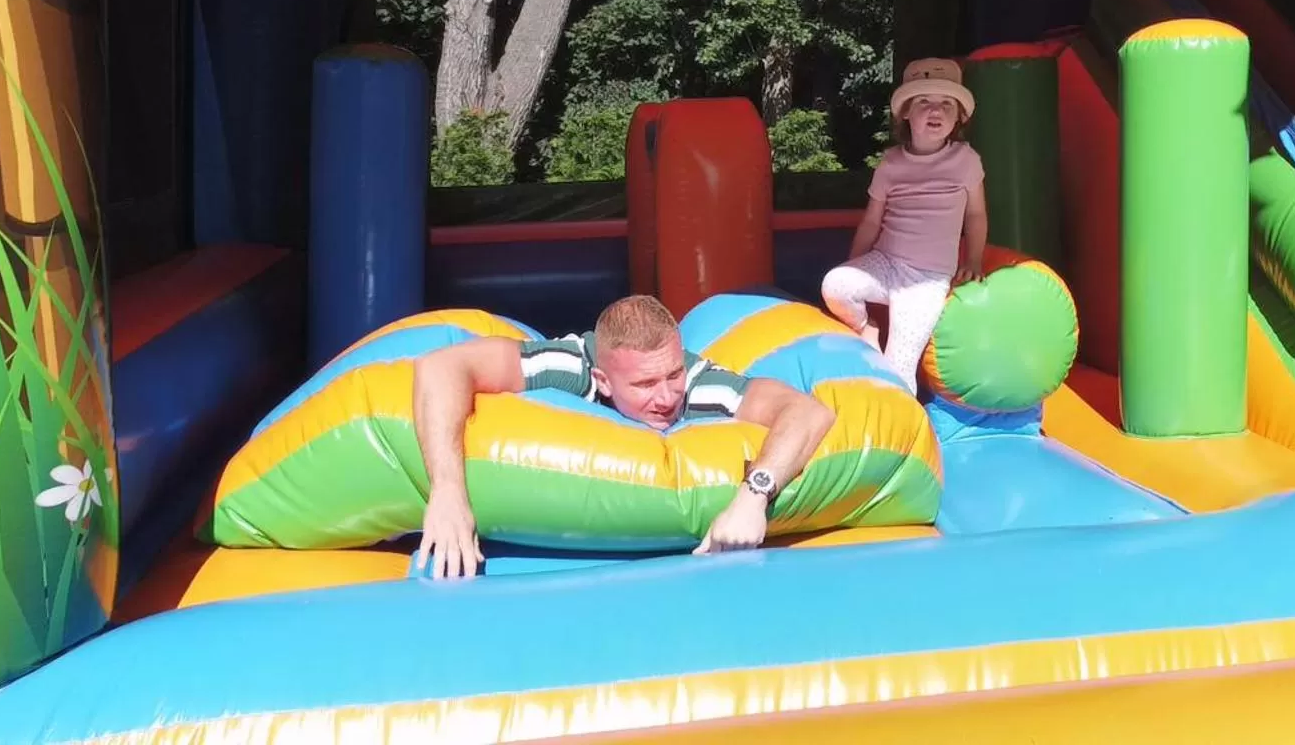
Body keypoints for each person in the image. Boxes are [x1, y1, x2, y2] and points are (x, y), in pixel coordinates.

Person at [410, 294, 836, 578]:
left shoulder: (698, 384)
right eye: (646, 385)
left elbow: (806, 412)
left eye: (673, 374)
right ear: (604, 380)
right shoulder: (568, 369)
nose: (667, 396)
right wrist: (447, 491)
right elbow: (440, 367)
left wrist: (753, 496)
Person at [822, 57, 987, 393]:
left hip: (927, 279)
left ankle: (903, 432)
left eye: (946, 104)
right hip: (886, 263)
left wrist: (974, 259)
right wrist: (854, 262)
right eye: (924, 102)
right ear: (906, 114)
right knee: (835, 284)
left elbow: (976, 215)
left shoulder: (966, 161)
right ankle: (867, 329)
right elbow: (872, 221)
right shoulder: (891, 163)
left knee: (899, 369)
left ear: (958, 118)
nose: (935, 110)